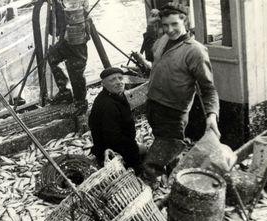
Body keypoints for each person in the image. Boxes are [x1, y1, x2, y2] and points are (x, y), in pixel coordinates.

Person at [133, 3, 220, 185]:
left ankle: (152, 200)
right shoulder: (164, 40)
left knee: (152, 163)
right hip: (154, 106)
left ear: (185, 22)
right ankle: (175, 182)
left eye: (174, 24)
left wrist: (212, 115)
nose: (170, 30)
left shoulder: (195, 50)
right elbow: (151, 54)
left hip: (173, 114)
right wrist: (150, 27)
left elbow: (208, 89)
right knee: (169, 152)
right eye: (165, 25)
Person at [89, 67, 146, 175]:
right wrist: (134, 160)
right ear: (103, 84)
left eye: (120, 78)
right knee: (143, 155)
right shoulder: (107, 104)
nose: (119, 82)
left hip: (122, 141)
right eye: (112, 80)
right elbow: (113, 138)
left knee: (143, 149)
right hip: (112, 149)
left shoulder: (116, 94)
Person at [48, 0, 90, 114]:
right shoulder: (57, 3)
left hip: (76, 37)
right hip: (64, 39)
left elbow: (83, 12)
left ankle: (81, 103)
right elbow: (54, 30)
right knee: (52, 56)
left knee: (76, 68)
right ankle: (64, 91)